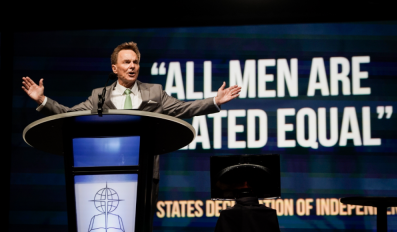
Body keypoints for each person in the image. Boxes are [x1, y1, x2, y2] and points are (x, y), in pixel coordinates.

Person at [22, 41, 241, 230]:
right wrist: (43, 101)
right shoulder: (99, 95)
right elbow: (71, 115)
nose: (132, 66)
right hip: (104, 171)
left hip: (144, 172)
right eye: (126, 62)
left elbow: (183, 109)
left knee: (141, 224)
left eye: (135, 62)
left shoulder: (154, 92)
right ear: (114, 68)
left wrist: (214, 101)